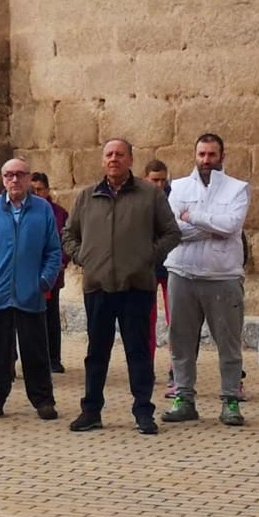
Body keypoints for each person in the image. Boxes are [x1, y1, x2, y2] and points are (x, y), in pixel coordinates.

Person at [62, 139, 181, 435]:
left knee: (138, 352)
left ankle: (143, 412)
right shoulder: (87, 196)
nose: (114, 159)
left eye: (120, 154)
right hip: (97, 286)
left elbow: (171, 233)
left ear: (130, 160)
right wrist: (84, 257)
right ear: (102, 161)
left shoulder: (150, 194)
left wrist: (146, 258)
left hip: (136, 286)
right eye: (109, 154)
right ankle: (91, 411)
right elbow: (68, 234)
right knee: (96, 352)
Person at [162, 134, 251, 427]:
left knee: (228, 342)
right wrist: (210, 224)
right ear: (194, 154)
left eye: (212, 154)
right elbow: (173, 229)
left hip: (222, 276)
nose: (206, 160)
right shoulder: (177, 187)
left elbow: (231, 226)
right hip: (182, 272)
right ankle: (184, 397)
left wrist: (194, 217)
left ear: (222, 156)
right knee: (181, 341)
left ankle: (230, 400)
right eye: (201, 154)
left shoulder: (238, 188)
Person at [0, 157, 62, 421]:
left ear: (28, 178)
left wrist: (43, 281)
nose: (14, 180)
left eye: (20, 174)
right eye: (9, 175)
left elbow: (53, 251)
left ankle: (43, 400)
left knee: (36, 352)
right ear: (2, 179)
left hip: (30, 294)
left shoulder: (42, 210)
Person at [30, 172, 69, 374]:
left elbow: (66, 241)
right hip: (27, 275)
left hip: (51, 275)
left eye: (39, 189)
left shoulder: (59, 213)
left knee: (51, 317)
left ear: (47, 190)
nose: (36, 193)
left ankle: (54, 358)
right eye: (32, 190)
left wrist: (60, 262)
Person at [142, 160, 172, 379]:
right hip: (147, 268)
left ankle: (176, 369)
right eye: (155, 180)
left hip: (172, 267)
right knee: (146, 321)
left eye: (163, 179)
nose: (160, 184)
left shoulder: (175, 197)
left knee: (176, 321)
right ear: (146, 178)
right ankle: (147, 368)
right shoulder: (139, 197)